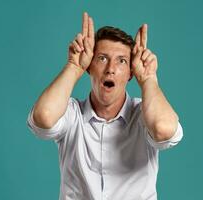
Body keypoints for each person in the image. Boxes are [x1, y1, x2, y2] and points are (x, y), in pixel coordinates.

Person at [27, 12, 183, 200]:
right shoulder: (71, 114)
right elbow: (43, 117)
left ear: (130, 73)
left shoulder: (144, 115)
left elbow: (163, 130)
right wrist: (74, 66)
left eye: (121, 61)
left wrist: (148, 79)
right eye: (102, 58)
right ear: (89, 67)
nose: (110, 68)